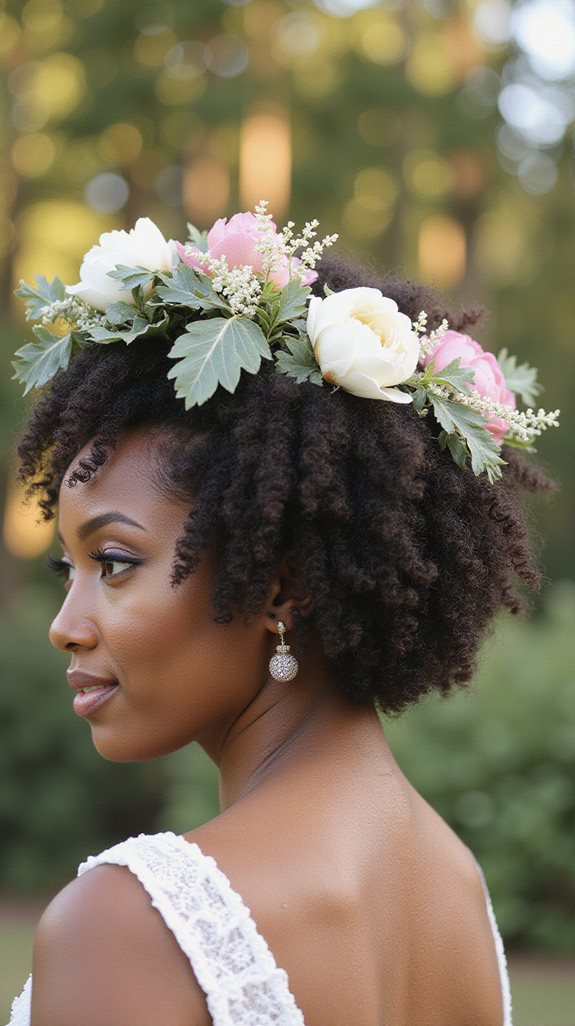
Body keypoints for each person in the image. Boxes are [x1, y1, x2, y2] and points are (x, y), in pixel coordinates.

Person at [8, 208, 557, 1026]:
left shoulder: (129, 926)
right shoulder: (457, 895)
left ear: (279, 586)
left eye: (114, 564)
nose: (65, 624)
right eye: (67, 569)